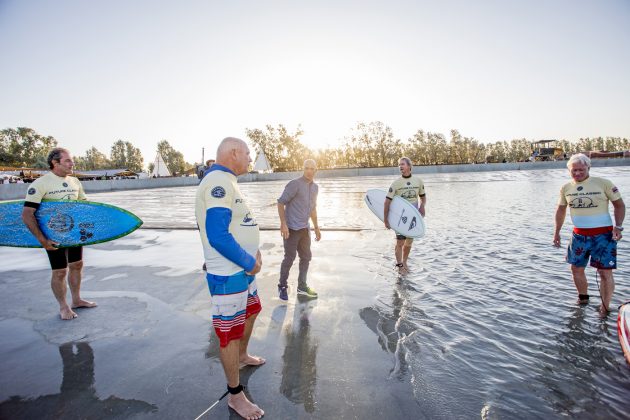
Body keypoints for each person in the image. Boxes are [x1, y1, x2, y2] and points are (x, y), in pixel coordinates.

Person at [195, 137, 264, 419]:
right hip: (229, 272)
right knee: (229, 333)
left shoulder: (225, 180)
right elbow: (217, 234)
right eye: (247, 153)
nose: (250, 158)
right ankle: (235, 395)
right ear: (233, 153)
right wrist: (250, 262)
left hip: (243, 270)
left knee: (253, 311)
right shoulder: (217, 183)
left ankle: (243, 356)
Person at [21, 148, 97, 320]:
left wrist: (88, 231)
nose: (72, 164)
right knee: (60, 271)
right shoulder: (40, 184)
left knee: (77, 264)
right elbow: (27, 214)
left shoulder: (75, 182)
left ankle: (76, 300)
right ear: (55, 163)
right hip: (52, 235)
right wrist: (43, 240)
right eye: (68, 161)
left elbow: (83, 207)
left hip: (74, 233)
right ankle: (63, 307)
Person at [553, 153, 625, 313]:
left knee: (604, 272)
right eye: (574, 171)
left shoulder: (603, 183)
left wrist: (618, 227)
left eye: (581, 170)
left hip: (604, 236)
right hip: (579, 236)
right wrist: (556, 232)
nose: (577, 173)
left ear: (588, 168)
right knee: (576, 269)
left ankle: (605, 307)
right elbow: (560, 210)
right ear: (569, 171)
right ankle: (583, 298)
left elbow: (619, 205)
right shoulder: (566, 188)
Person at [277, 159, 321, 301]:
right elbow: (280, 202)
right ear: (303, 169)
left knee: (306, 257)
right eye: (306, 168)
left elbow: (313, 208)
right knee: (289, 258)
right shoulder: (295, 184)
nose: (309, 171)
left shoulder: (315, 188)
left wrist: (316, 227)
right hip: (291, 229)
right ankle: (282, 286)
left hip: (304, 229)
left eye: (311, 169)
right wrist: (283, 223)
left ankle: (302, 287)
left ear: (316, 171)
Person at [384, 157, 426, 274]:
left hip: (413, 217)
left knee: (408, 243)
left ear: (409, 166)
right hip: (400, 218)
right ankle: (399, 265)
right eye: (399, 165)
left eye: (402, 164)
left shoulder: (418, 181)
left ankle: (405, 261)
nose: (400, 167)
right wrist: (386, 220)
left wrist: (422, 205)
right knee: (400, 242)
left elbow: (423, 197)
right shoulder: (396, 184)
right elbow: (387, 202)